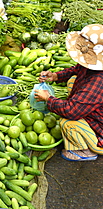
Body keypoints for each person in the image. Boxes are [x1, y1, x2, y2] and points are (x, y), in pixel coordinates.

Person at [34, 24, 103, 162]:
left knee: (67, 122)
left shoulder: (98, 82)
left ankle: (85, 150)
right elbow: (75, 70)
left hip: (100, 127)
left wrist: (49, 99)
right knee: (72, 81)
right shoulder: (92, 66)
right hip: (95, 107)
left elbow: (71, 110)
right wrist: (55, 76)